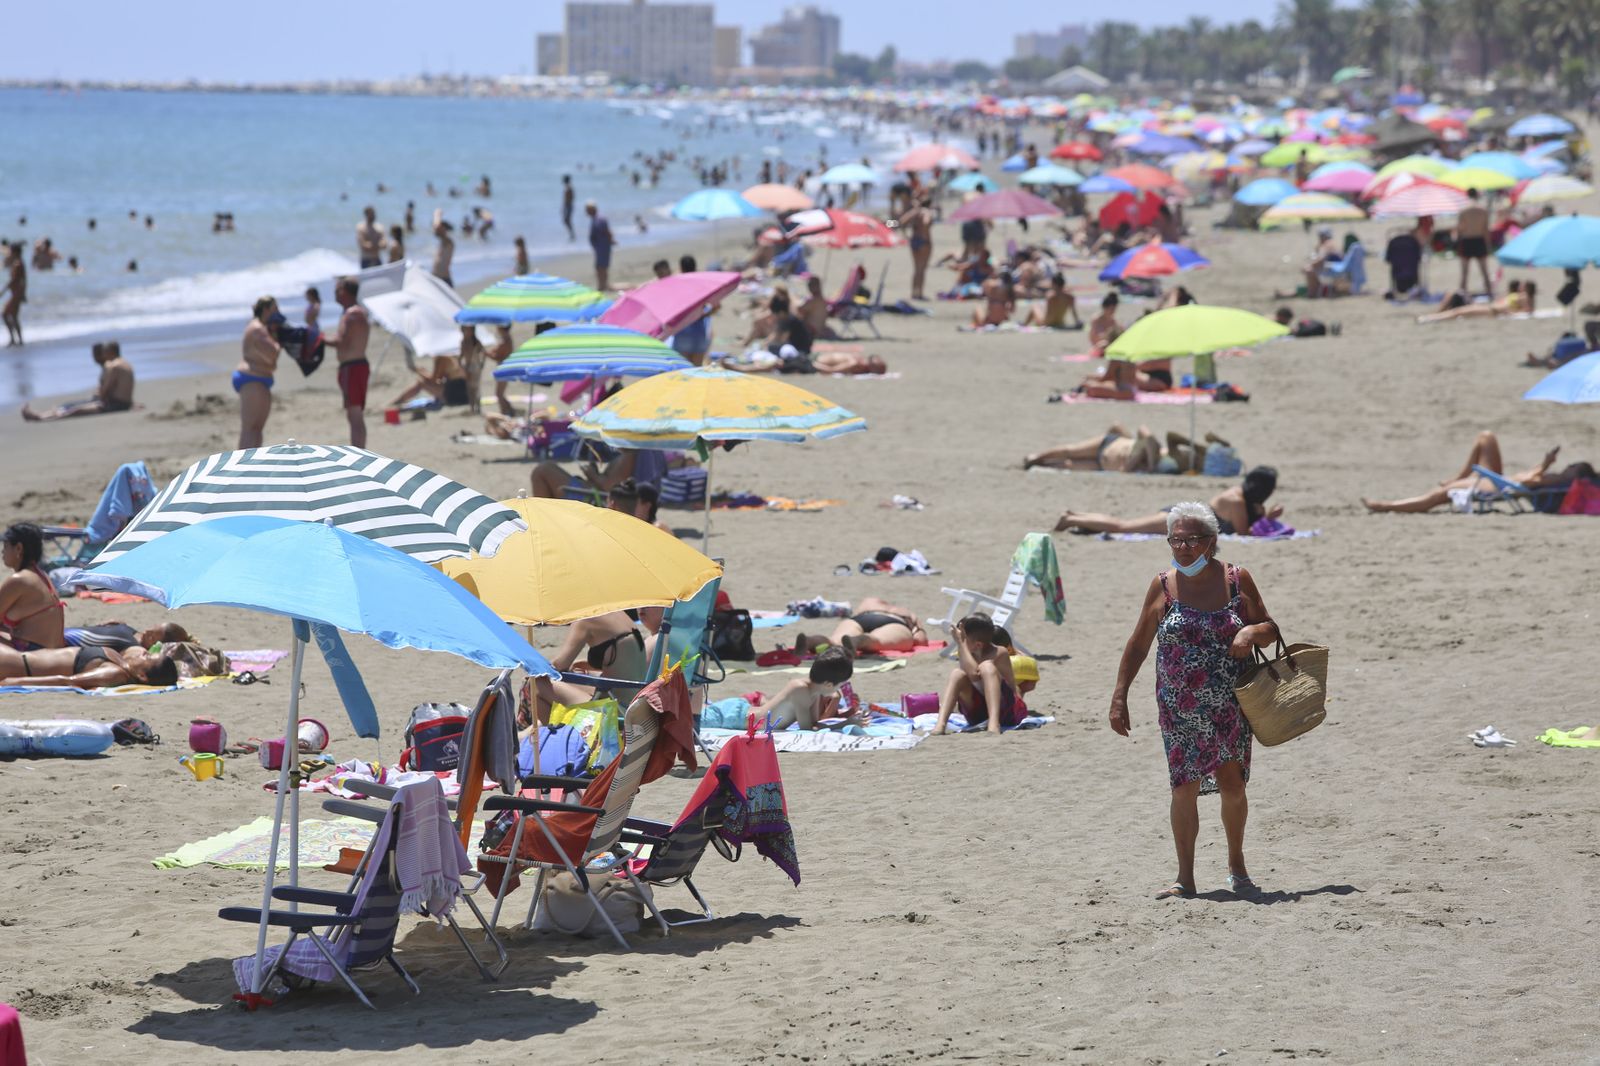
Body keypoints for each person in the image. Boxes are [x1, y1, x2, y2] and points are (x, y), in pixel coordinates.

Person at [1108, 501, 1279, 898]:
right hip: (1179, 706)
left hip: (1231, 702)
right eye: (1176, 539)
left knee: (1231, 784)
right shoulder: (1163, 585)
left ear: (1212, 541)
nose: (1182, 547)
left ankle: (1237, 866)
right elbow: (1137, 644)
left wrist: (1249, 634)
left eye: (1192, 540)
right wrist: (1120, 696)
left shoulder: (1237, 579)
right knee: (1183, 786)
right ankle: (1185, 878)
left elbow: (1270, 628)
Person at [1361, 432, 1591, 513]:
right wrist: (1544, 466)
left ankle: (1387, 505)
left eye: (1573, 469)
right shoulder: (1553, 480)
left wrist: (1545, 464)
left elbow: (1528, 482)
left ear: (1576, 478)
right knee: (1486, 438)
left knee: (1439, 496)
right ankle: (1460, 478)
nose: (1569, 467)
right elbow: (1528, 479)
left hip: (1494, 487)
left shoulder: (1551, 482)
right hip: (1500, 480)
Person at [1056, 465, 1283, 535]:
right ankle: (1072, 518)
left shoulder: (1241, 496)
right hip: (1181, 519)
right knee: (1123, 526)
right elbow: (1244, 533)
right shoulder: (1236, 500)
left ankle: (1078, 518)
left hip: (1184, 516)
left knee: (1123, 524)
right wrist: (1267, 518)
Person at [932, 614, 1019, 735]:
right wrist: (963, 645)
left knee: (987, 666)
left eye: (963, 638)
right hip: (977, 714)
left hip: (1005, 712)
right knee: (957, 673)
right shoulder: (967, 653)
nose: (960, 642)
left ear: (978, 645)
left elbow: (974, 673)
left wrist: (961, 644)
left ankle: (994, 724)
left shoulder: (1000, 652)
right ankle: (940, 724)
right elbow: (972, 675)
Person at [22, 341, 135, 421]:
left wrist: (100, 400)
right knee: (74, 407)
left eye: (105, 352)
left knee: (76, 410)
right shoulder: (126, 364)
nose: (103, 355)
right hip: (123, 404)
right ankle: (42, 415)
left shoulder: (114, 366)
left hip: (116, 405)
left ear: (110, 352)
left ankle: (40, 417)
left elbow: (106, 390)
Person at [0, 524, 65, 651]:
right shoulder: (41, 575)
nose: (2, 551)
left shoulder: (19, 580)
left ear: (18, 548)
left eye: (6, 546)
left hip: (32, 654)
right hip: (52, 651)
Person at [323, 277, 370, 448]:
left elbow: (340, 342)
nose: (335, 294)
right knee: (354, 414)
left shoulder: (351, 313)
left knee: (355, 414)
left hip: (353, 366)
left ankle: (359, 452)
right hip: (355, 366)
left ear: (344, 291)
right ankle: (360, 450)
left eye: (337, 290)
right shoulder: (356, 312)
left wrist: (318, 339)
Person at [793, 597, 927, 656]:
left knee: (835, 640)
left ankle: (810, 641)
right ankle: (858, 641)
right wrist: (917, 631)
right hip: (894, 621)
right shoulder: (905, 611)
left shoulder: (869, 602)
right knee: (876, 640)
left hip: (861, 618)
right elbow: (920, 641)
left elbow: (854, 614)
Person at [765, 646, 855, 730]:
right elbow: (806, 729)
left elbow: (814, 725)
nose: (839, 690)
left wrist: (848, 722)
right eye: (840, 686)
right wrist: (845, 724)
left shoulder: (814, 691)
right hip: (754, 725)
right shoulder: (800, 689)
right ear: (829, 685)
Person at [235, 296, 282, 449]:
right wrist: (279, 336)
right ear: (266, 310)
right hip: (252, 377)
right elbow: (273, 351)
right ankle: (242, 467)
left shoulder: (261, 327)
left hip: (260, 377)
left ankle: (252, 465)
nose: (278, 313)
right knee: (250, 429)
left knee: (257, 429)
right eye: (275, 309)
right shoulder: (257, 328)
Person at [1024, 424, 1160, 473]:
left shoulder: (1146, 469)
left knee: (1069, 465)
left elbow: (1124, 471)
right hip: (1108, 444)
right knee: (1070, 451)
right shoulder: (1154, 448)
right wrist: (1151, 464)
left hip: (1102, 465)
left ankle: (1040, 465)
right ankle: (1037, 457)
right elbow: (1144, 430)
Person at [1417, 280, 1534, 323]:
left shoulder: (1523, 296)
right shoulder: (1517, 295)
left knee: (1458, 311)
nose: (1520, 286)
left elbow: (1527, 310)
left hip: (1492, 310)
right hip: (1491, 308)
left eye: (1523, 285)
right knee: (1458, 311)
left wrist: (1511, 312)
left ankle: (1431, 318)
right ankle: (1432, 317)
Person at [897, 193, 935, 300]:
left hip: (914, 240)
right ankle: (919, 293)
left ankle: (914, 292)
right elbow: (926, 221)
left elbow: (900, 222)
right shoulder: (927, 212)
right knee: (922, 269)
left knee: (916, 268)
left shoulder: (914, 212)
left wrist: (906, 235)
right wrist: (925, 228)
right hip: (924, 241)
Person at [1456, 188, 1493, 294]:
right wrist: (1488, 245)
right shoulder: (1483, 210)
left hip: (1466, 240)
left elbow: (1460, 228)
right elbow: (1486, 230)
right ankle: (1489, 291)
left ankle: (1462, 293)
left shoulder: (1463, 210)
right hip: (1479, 240)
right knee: (1484, 271)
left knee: (1464, 272)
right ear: (1477, 195)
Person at [63, 620, 188, 650]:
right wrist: (119, 624)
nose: (147, 631)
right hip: (69, 632)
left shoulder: (134, 650)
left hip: (65, 642)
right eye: (151, 628)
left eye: (152, 636)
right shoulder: (136, 634)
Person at [586, 200, 615, 291]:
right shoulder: (595, 219)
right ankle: (602, 285)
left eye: (588, 209)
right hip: (599, 247)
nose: (586, 212)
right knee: (600, 267)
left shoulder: (600, 219)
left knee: (601, 267)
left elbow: (607, 232)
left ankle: (603, 285)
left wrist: (611, 240)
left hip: (603, 247)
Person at [1, 242, 25, 346]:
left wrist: (3, 290)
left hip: (16, 294)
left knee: (5, 314)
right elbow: (24, 280)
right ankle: (18, 340)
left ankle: (14, 339)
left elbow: (13, 280)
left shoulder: (17, 264)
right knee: (13, 316)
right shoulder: (19, 262)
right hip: (17, 293)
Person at [796, 275, 832, 341]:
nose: (809, 287)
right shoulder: (822, 299)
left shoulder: (813, 299)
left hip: (812, 330)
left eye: (811, 285)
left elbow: (799, 309)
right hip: (819, 329)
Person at [431, 209, 455, 287]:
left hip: (444, 279)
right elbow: (436, 230)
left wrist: (437, 215)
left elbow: (437, 228)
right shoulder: (442, 242)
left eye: (442, 227)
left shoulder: (449, 242)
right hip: (436, 278)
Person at [561, 175, 576, 241]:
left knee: (567, 220)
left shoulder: (569, 188)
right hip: (568, 206)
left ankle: (572, 235)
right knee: (566, 220)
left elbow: (569, 198)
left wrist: (565, 206)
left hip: (568, 206)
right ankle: (571, 234)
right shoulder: (568, 187)